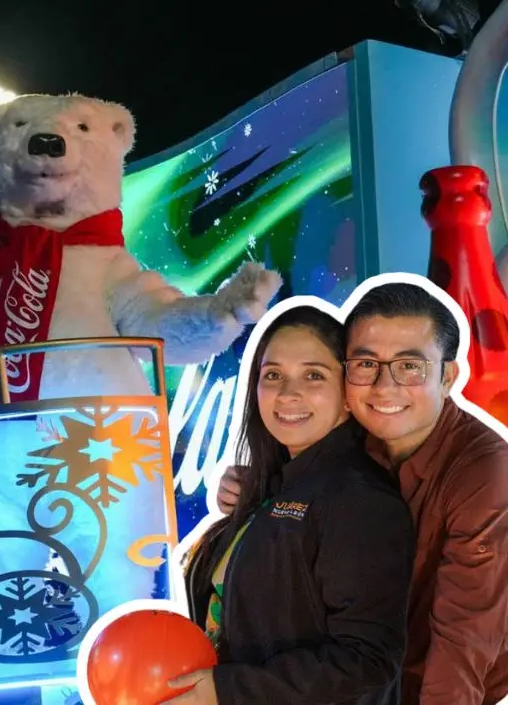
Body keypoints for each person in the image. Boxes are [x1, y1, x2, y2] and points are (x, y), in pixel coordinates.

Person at [216, 282, 508, 704]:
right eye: (366, 364)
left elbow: (465, 640)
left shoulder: (486, 474)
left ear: (447, 377)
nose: (385, 387)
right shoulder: (356, 437)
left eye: (409, 366)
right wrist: (259, 487)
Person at [169, 305, 415, 704]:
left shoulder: (361, 501)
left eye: (313, 375)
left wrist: (229, 690)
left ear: (349, 396)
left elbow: (367, 661)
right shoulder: (277, 488)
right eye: (273, 375)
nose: (287, 393)